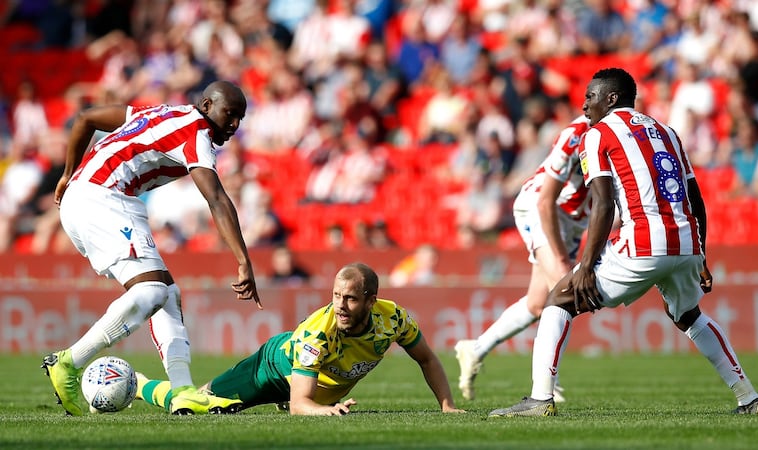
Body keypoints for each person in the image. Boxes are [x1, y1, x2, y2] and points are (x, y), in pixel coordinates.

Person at [489, 68, 758, 417]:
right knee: (689, 316)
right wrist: (702, 256)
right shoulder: (667, 131)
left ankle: (540, 399)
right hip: (685, 243)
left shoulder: (597, 134)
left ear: (611, 98)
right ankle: (748, 397)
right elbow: (696, 198)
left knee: (560, 298)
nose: (584, 103)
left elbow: (603, 204)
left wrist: (586, 267)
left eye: (591, 96)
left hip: (644, 243)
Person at [41, 80, 262, 416]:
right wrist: (243, 261)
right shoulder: (197, 131)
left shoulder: (159, 112)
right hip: (105, 196)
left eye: (240, 119)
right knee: (153, 291)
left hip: (85, 196)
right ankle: (70, 362)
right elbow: (216, 198)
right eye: (229, 114)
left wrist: (67, 174)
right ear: (206, 106)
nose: (233, 125)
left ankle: (184, 390)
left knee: (168, 293)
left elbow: (86, 119)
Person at [137, 263, 465, 416]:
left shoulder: (393, 319)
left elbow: (427, 359)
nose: (340, 305)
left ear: (371, 300)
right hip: (274, 369)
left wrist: (447, 406)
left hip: (311, 385)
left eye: (350, 298)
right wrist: (323, 410)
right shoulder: (318, 332)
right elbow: (300, 406)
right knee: (197, 404)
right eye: (336, 295)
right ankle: (137, 385)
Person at [454, 115, 591, 401]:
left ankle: (476, 348)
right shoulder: (578, 133)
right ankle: (546, 383)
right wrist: (559, 256)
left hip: (575, 219)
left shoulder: (626, 137)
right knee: (565, 290)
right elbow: (547, 197)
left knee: (538, 303)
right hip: (541, 206)